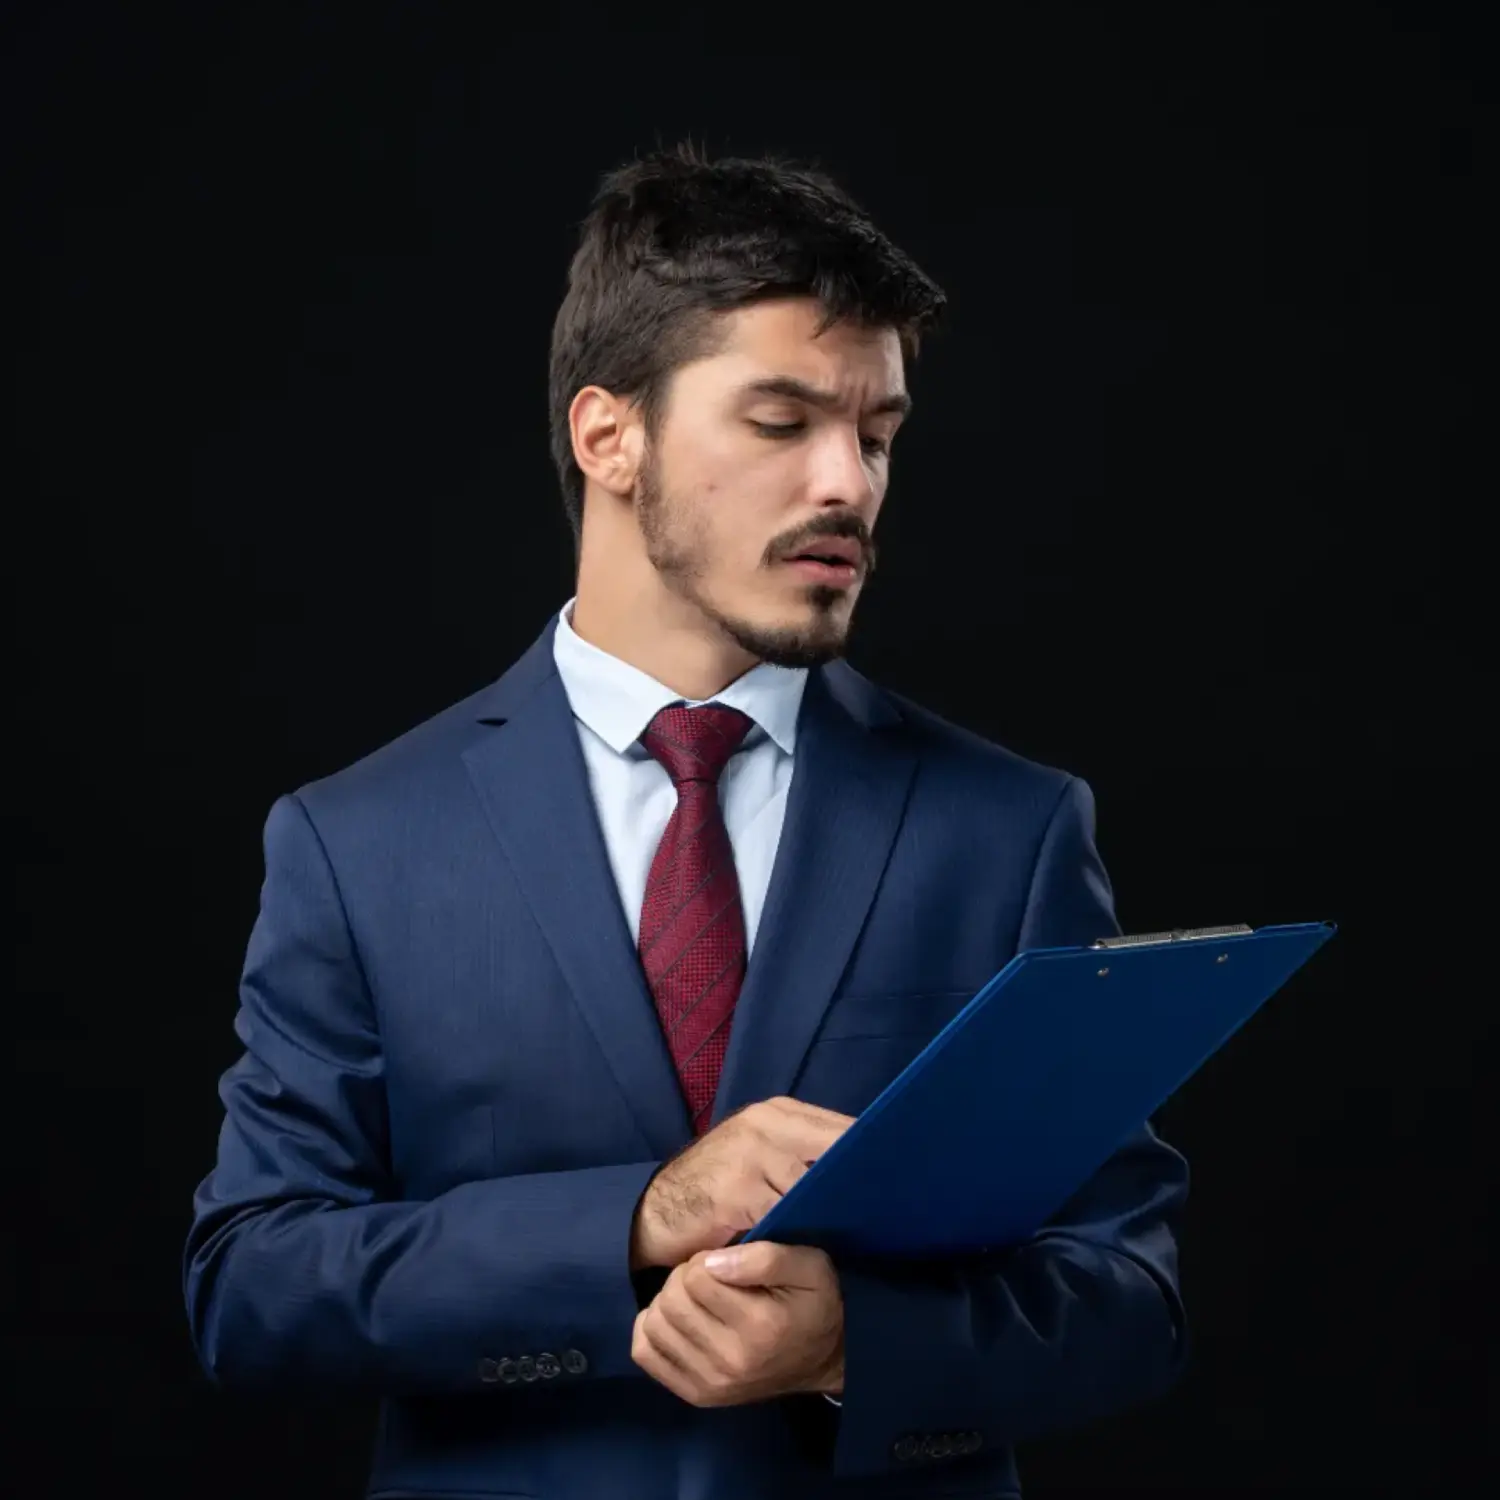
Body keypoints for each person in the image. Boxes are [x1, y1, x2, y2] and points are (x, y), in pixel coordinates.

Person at [184, 144, 1189, 1500]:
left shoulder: (1007, 830)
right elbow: (252, 1285)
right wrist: (639, 1220)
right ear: (611, 436)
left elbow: (1132, 1294)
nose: (849, 484)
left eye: (878, 435)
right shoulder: (356, 844)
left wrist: (860, 1345)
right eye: (782, 422)